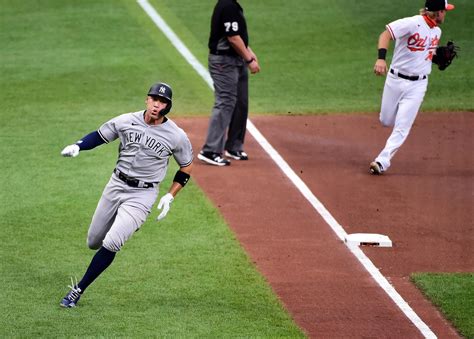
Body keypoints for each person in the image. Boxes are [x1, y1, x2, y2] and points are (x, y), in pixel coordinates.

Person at [59, 82, 193, 308]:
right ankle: (113, 237)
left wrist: (170, 195)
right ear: (147, 100)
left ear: (167, 106)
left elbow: (186, 167)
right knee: (94, 241)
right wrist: (78, 146)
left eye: (162, 102)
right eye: (154, 99)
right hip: (115, 185)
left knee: (112, 242)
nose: (156, 105)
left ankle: (78, 290)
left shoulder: (176, 136)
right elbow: (100, 136)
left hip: (143, 195)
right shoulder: (125, 120)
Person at [369, 0, 455, 175]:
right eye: (444, 11)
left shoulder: (437, 31)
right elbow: (385, 34)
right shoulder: (411, 23)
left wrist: (436, 56)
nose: (445, 14)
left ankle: (382, 161)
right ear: (437, 12)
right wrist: (381, 58)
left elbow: (424, 54)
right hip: (395, 80)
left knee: (402, 126)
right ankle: (397, 117)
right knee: (386, 120)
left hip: (418, 85)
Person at [197, 0, 261, 167]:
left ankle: (233, 146)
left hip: (236, 60)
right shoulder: (228, 6)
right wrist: (249, 59)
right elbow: (232, 38)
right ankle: (210, 150)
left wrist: (249, 53)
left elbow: (239, 35)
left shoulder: (233, 5)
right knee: (225, 102)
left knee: (241, 103)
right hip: (223, 62)